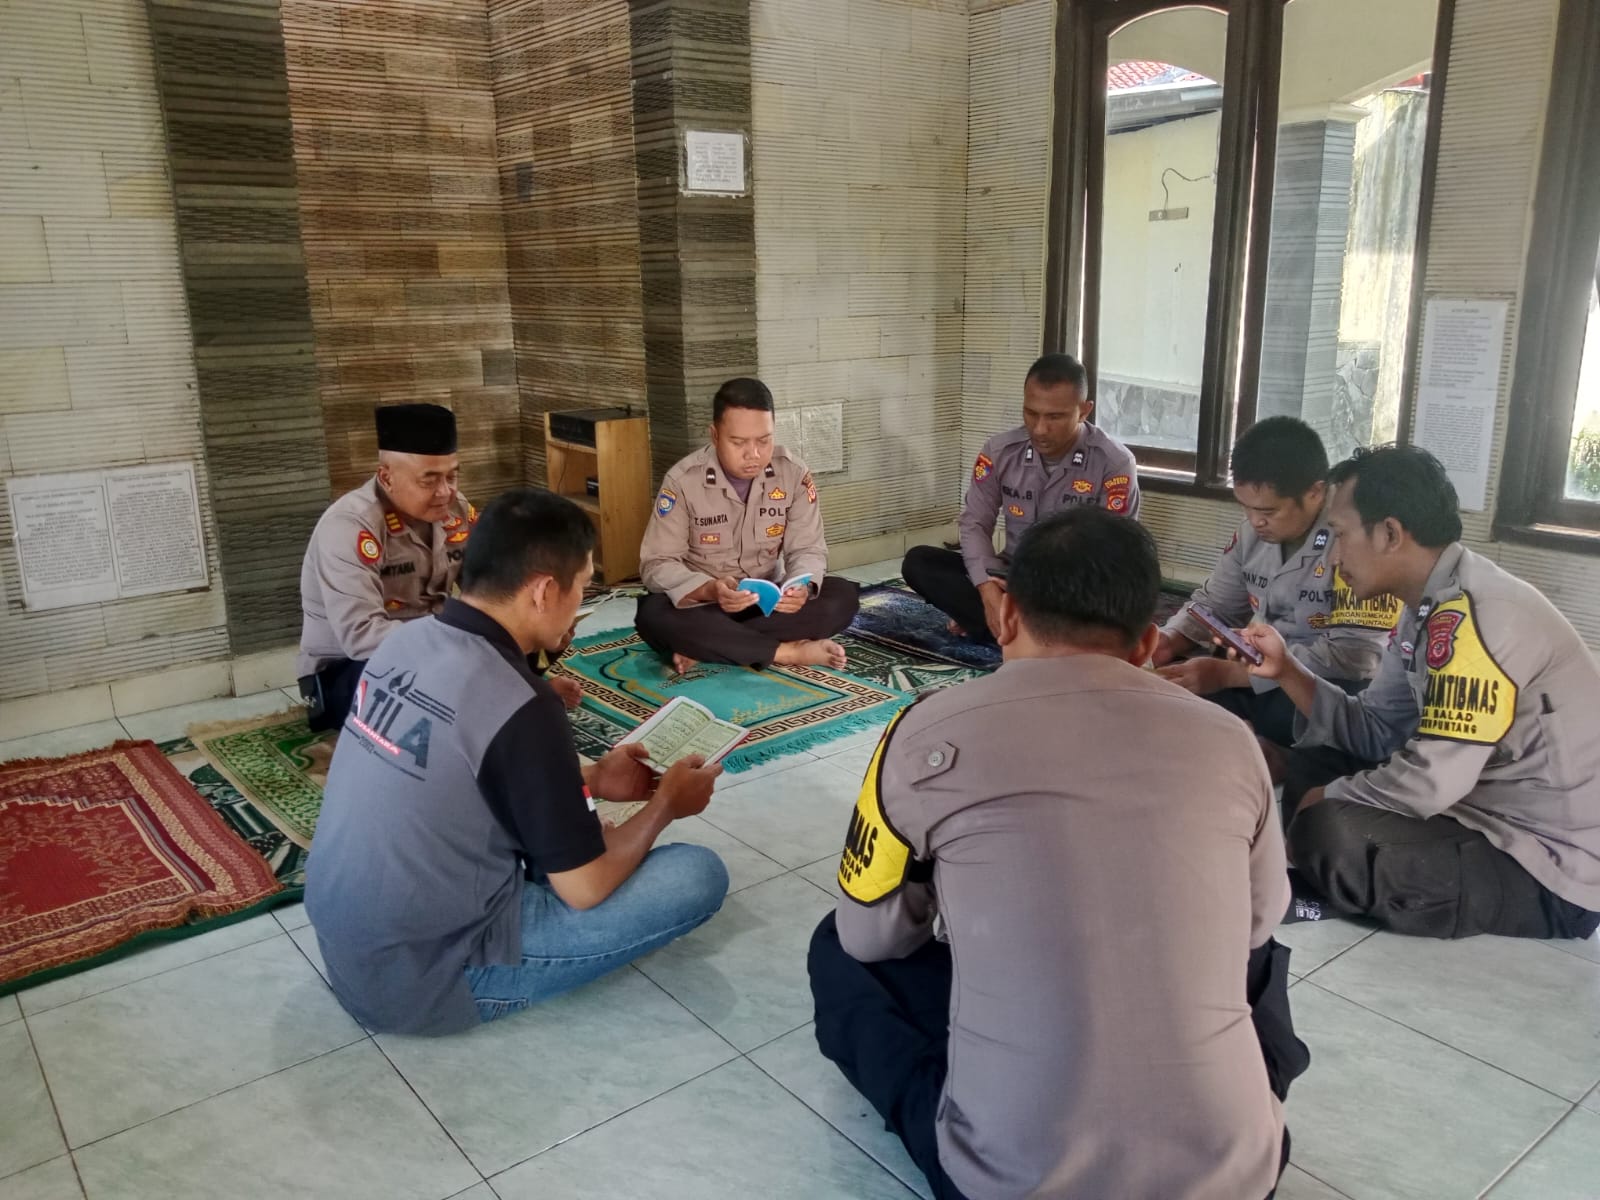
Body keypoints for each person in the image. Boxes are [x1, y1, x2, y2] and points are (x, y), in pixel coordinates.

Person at [810, 508, 1307, 1200]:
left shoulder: (922, 730)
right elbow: (1258, 923)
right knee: (1250, 958)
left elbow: (873, 938)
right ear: (1147, 643)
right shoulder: (1232, 741)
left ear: (1006, 616)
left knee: (837, 948)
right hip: (1236, 1176)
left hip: (1011, 1181)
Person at [305, 488, 730, 1036]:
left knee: (568, 833)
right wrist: (666, 804)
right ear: (545, 591)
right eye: (582, 586)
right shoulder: (521, 704)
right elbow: (585, 888)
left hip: (352, 955)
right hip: (434, 978)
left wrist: (592, 778)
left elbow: (461, 771)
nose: (581, 602)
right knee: (696, 874)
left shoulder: (404, 643)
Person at [1242, 445, 1600, 940]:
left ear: (1389, 533)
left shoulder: (1478, 615)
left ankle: (1337, 871)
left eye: (1341, 535)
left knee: (1329, 830)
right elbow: (1375, 730)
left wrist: (1330, 798)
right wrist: (1287, 671)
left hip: (1545, 861)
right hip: (1472, 808)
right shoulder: (1425, 605)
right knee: (1320, 757)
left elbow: (1432, 781)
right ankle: (1337, 869)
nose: (1334, 556)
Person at [296, 403, 579, 732]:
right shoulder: (350, 527)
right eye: (428, 481)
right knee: (442, 676)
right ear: (386, 477)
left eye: (452, 476)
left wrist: (537, 615)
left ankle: (517, 692)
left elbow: (491, 586)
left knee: (531, 625)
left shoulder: (455, 510)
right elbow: (361, 638)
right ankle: (518, 696)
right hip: (349, 672)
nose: (445, 492)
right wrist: (460, 642)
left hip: (438, 650)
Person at [1154, 417, 1399, 744]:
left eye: (1268, 512)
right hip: (1256, 665)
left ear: (1315, 492)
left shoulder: (1355, 538)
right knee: (1176, 695)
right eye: (1246, 508)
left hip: (1324, 681)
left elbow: (1353, 656)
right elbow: (1214, 606)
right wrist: (1169, 639)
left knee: (1295, 720)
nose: (1255, 522)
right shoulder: (1251, 534)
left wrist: (1232, 675)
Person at [901, 353, 1141, 643]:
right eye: (1031, 413)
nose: (1039, 429)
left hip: (1074, 584)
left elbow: (1112, 553)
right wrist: (988, 591)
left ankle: (1002, 626)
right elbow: (975, 523)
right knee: (919, 562)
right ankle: (1017, 627)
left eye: (1054, 417)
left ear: (1084, 411)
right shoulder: (1000, 452)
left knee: (1111, 600)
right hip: (1012, 576)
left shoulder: (1113, 462)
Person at [636, 377, 860, 674]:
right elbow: (656, 565)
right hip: (705, 605)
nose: (753, 454)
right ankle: (787, 651)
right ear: (715, 435)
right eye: (738, 442)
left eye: (763, 441)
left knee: (842, 597)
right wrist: (710, 590)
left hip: (768, 605)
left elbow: (808, 549)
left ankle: (712, 646)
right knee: (652, 615)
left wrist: (801, 588)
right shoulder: (683, 481)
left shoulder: (793, 474)